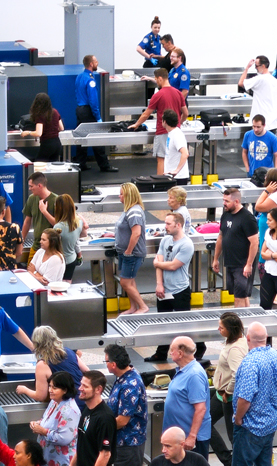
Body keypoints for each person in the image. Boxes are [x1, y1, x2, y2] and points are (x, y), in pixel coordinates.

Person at [233, 323, 277, 466]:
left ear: (247, 339)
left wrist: (238, 418)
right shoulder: (275, 356)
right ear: (266, 337)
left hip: (250, 426)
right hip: (270, 422)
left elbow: (245, 398)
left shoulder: (250, 362)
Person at [104, 344, 147, 466]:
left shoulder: (130, 382)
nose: (105, 364)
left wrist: (102, 428)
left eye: (106, 361)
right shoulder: (123, 377)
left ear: (113, 364)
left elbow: (122, 420)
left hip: (130, 439)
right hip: (123, 439)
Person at [209, 313, 247, 466]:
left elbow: (237, 374)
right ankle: (229, 462)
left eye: (221, 327)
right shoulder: (233, 342)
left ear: (230, 330)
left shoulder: (235, 349)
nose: (218, 329)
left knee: (233, 436)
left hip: (228, 396)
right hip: (220, 393)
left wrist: (228, 391)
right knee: (204, 420)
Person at [128, 70, 187, 176]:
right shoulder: (178, 93)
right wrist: (179, 124)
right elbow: (186, 113)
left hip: (162, 131)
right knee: (173, 157)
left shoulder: (158, 95)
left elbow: (146, 114)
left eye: (156, 79)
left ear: (160, 78)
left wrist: (136, 124)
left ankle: (161, 183)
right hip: (175, 130)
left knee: (161, 159)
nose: (156, 82)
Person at [163, 336, 211, 458]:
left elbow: (201, 409)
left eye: (172, 350)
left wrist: (191, 437)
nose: (170, 353)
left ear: (180, 353)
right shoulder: (183, 370)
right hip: (179, 438)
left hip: (191, 443)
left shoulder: (194, 375)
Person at [212, 187, 260, 308]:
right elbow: (221, 237)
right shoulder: (225, 215)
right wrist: (216, 258)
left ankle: (237, 322)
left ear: (237, 202)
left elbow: (254, 243)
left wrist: (249, 264)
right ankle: (247, 318)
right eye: (223, 200)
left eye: (227, 201)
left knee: (239, 298)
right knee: (241, 295)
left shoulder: (247, 218)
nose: (224, 204)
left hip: (242, 263)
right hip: (230, 262)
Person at [16, 325, 87, 405]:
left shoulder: (43, 364)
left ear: (37, 344)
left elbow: (40, 396)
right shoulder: (69, 352)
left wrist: (24, 390)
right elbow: (87, 371)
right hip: (84, 399)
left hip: (68, 407)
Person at [31, 372, 80, 466]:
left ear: (65, 390)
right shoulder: (54, 402)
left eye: (55, 387)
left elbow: (64, 438)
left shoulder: (70, 410)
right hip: (52, 462)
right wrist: (37, 424)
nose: (50, 390)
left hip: (63, 465)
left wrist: (42, 431)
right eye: (50, 386)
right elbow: (47, 420)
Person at [73, 56, 117, 173]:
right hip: (88, 111)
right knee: (97, 138)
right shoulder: (90, 80)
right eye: (96, 61)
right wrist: (98, 117)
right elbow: (93, 101)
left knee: (81, 137)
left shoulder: (79, 76)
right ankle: (104, 165)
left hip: (80, 109)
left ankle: (80, 163)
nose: (98, 63)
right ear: (91, 64)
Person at [155, 214, 196, 333]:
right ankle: (161, 351)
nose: (165, 226)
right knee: (163, 324)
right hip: (164, 290)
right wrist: (159, 284)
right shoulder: (165, 240)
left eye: (168, 224)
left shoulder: (186, 244)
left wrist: (158, 264)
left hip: (180, 291)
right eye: (165, 223)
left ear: (178, 225)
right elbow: (160, 262)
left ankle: (197, 347)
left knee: (183, 326)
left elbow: (173, 266)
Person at [114, 183, 148, 314]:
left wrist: (128, 251)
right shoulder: (128, 210)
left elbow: (136, 233)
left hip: (132, 254)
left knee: (125, 283)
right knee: (130, 281)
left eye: (122, 194)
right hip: (125, 253)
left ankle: (143, 306)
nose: (119, 196)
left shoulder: (134, 211)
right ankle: (133, 307)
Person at [22, 172, 58, 261]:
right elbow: (27, 221)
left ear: (39, 186)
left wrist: (44, 211)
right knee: (30, 271)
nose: (30, 189)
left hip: (51, 248)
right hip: (36, 245)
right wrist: (21, 240)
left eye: (31, 186)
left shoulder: (56, 201)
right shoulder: (32, 198)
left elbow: (58, 224)